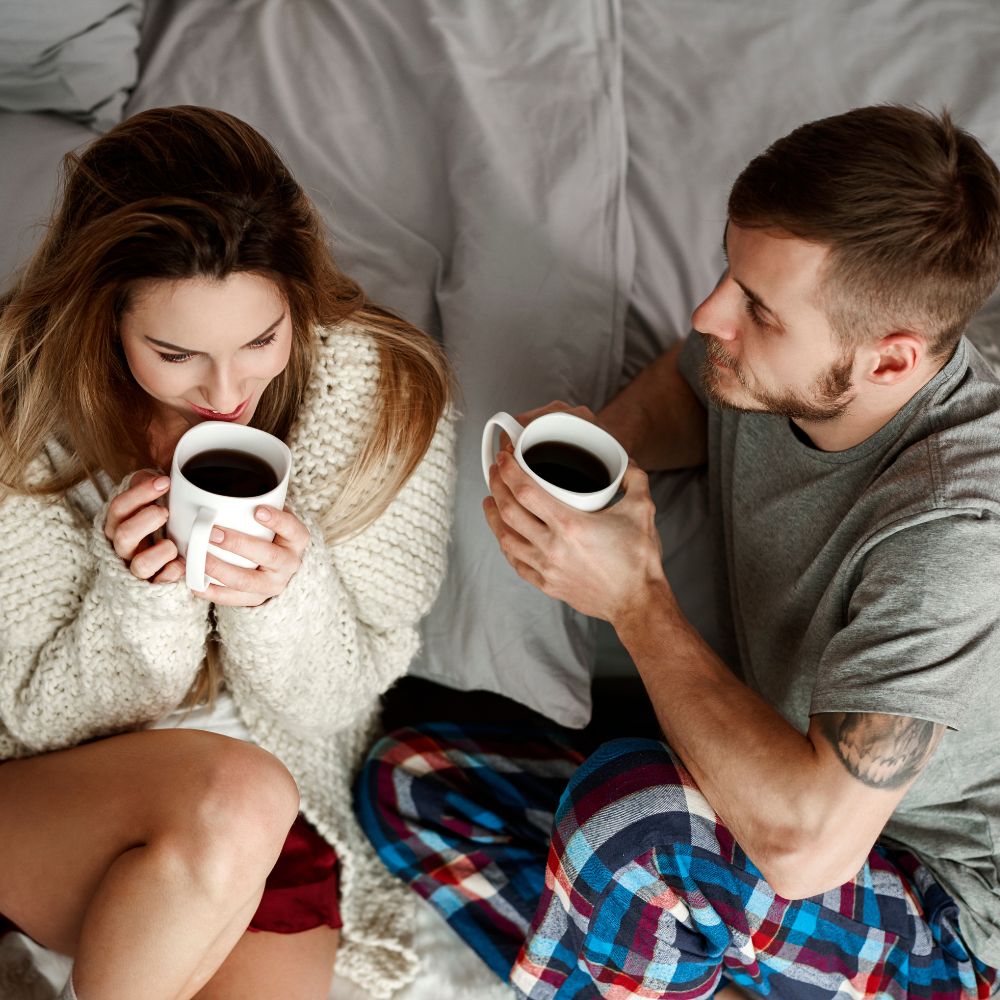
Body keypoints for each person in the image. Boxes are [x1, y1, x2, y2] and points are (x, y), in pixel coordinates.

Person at [356, 105, 1000, 999]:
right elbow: (690, 385)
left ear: (891, 365)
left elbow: (810, 848)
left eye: (758, 310)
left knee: (634, 826)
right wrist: (600, 453)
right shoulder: (798, 361)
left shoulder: (956, 537)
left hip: (949, 913)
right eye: (727, 274)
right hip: (773, 809)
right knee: (411, 778)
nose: (709, 315)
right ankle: (675, 966)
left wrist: (636, 599)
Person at [0, 105, 455, 1000]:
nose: (225, 392)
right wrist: (142, 597)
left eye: (260, 341)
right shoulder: (18, 413)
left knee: (253, 799)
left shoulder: (380, 396)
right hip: (51, 796)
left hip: (281, 817)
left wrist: (285, 592)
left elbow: (336, 699)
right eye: (175, 353)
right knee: (241, 791)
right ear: (105, 318)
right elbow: (30, 718)